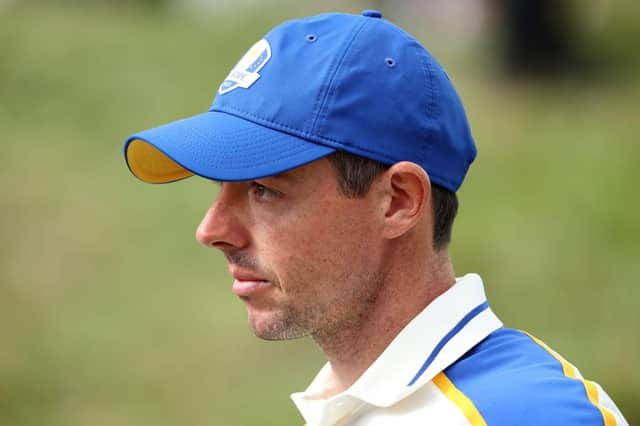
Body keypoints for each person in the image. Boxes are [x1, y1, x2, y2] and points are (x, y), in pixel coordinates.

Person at [123, 10, 628, 426]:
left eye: (263, 190)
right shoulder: (356, 405)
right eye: (220, 189)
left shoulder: (526, 416)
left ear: (399, 201)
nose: (211, 230)